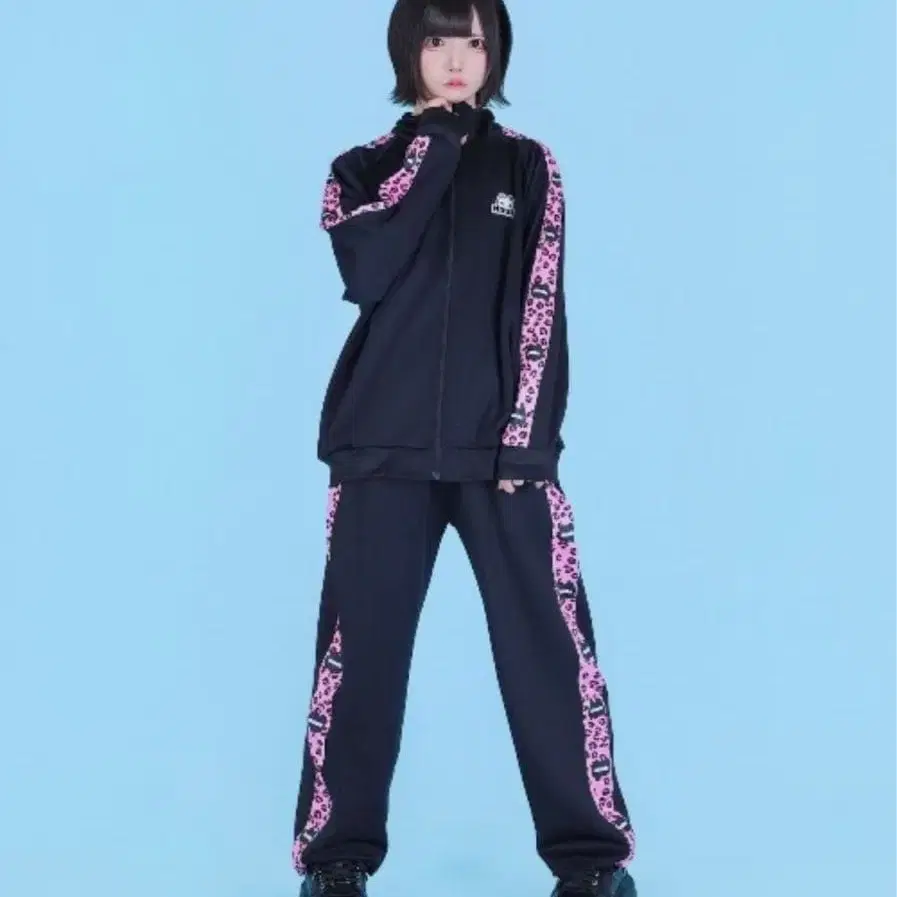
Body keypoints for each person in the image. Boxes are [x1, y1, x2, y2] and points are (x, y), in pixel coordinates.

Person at [291, 1, 638, 894]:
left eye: (475, 42)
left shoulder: (528, 166)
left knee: (548, 652)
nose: (456, 59)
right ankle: (335, 862)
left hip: (502, 458)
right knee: (359, 658)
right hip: (379, 449)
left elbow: (540, 303)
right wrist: (435, 144)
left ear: (496, 54)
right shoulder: (360, 169)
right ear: (407, 49)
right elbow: (366, 270)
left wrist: (525, 445)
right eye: (437, 40)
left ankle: (591, 863)